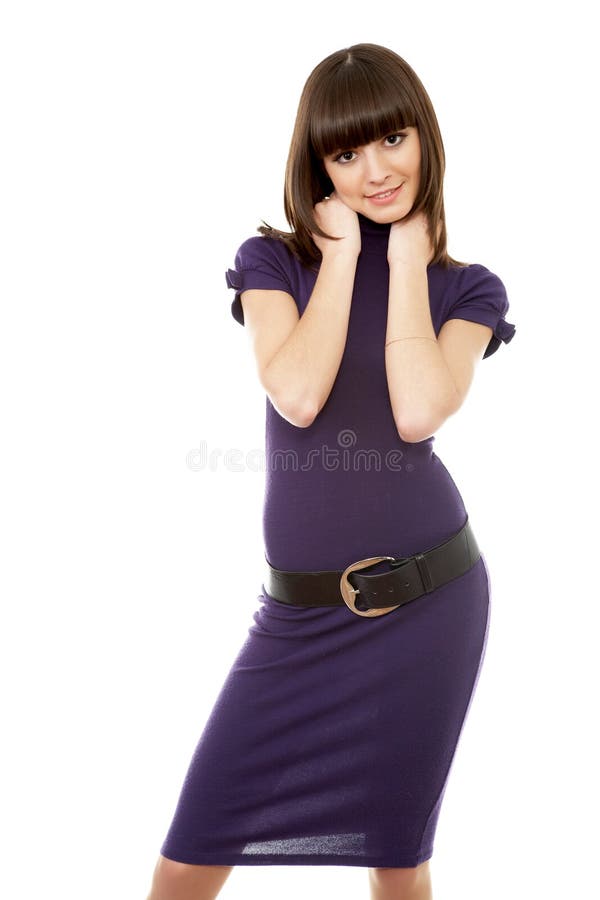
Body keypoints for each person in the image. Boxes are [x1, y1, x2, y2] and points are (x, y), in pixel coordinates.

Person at [145, 42, 516, 900]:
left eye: (391, 140)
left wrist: (405, 264)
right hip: (297, 621)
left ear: (424, 138)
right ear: (316, 167)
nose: (376, 169)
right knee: (188, 859)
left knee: (398, 856)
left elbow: (420, 408)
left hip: (430, 605)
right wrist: (345, 256)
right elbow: (298, 393)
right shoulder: (274, 263)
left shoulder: (467, 290)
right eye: (346, 153)